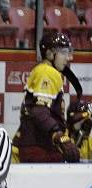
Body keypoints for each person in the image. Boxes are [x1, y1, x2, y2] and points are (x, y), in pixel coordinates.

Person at [13, 32, 79, 164]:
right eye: (64, 53)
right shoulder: (47, 72)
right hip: (39, 147)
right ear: (49, 54)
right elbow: (39, 111)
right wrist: (58, 135)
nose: (68, 58)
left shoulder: (42, 70)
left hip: (35, 144)